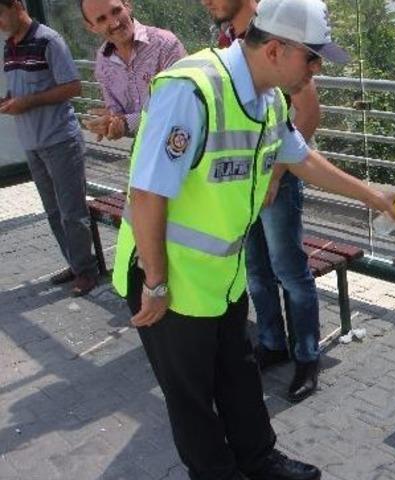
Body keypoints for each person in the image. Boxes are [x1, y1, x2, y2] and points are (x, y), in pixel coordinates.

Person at [109, 0, 395, 478]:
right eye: (312, 57)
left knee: (239, 378)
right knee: (193, 401)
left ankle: (259, 460)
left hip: (221, 278)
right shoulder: (192, 89)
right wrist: (156, 280)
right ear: (277, 50)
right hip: (169, 285)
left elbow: (301, 157)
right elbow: (146, 193)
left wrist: (374, 197)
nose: (316, 70)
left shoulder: (269, 99)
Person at [202, 0, 325, 402]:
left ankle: (307, 355)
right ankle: (273, 342)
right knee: (254, 267)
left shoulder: (281, 37)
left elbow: (307, 114)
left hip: (276, 181)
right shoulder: (227, 42)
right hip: (242, 182)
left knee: (289, 269)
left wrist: (276, 172)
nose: (206, 1)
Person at [0, 0, 99, 296]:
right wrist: (9, 101)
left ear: (17, 5)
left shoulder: (48, 40)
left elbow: (73, 87)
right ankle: (76, 263)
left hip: (60, 140)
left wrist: (27, 102)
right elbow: (22, 88)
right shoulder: (10, 46)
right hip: (31, 142)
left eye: (0, 15)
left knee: (72, 211)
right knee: (53, 211)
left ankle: (87, 272)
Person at [80, 0, 186, 141]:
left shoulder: (165, 44)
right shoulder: (103, 60)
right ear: (91, 27)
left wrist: (126, 122)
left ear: (127, 5)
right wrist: (110, 124)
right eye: (102, 19)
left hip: (182, 144)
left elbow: (180, 104)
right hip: (144, 147)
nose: (115, 23)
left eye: (116, 11)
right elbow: (115, 111)